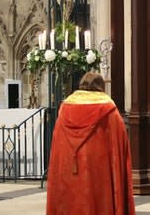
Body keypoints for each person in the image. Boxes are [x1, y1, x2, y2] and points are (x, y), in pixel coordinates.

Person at [46, 71, 135, 215]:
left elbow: (57, 145)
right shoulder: (108, 109)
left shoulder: (65, 108)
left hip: (69, 168)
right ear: (100, 86)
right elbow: (120, 143)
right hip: (98, 169)